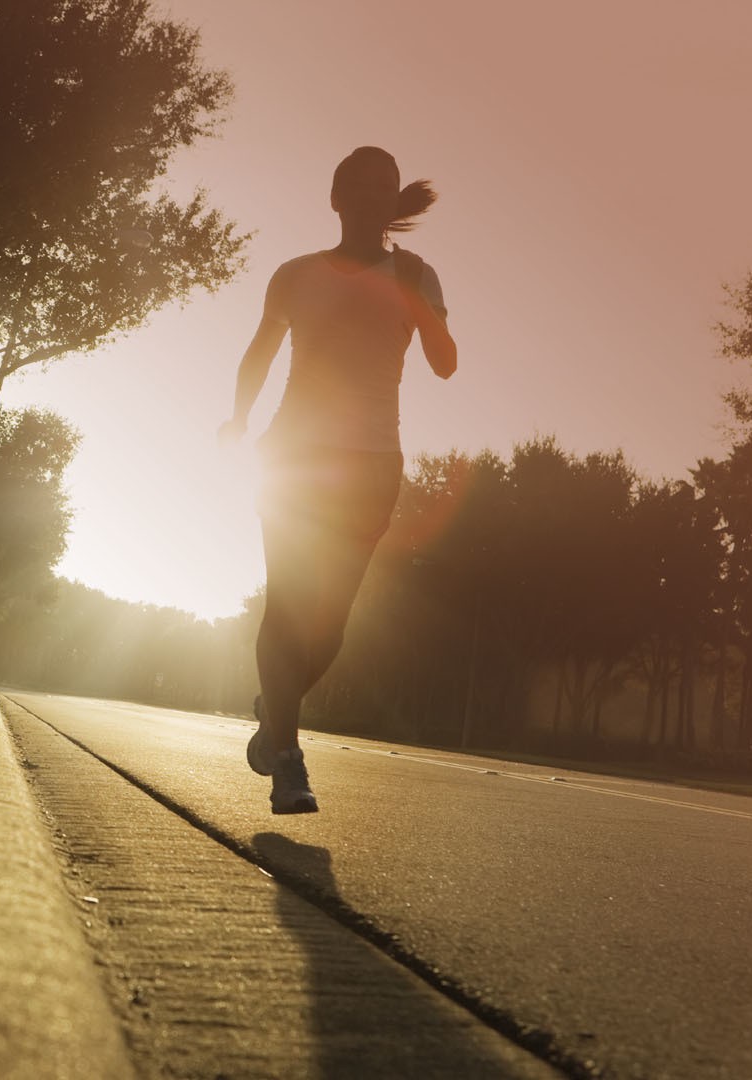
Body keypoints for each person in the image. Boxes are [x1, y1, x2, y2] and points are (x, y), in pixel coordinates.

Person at [218, 146, 458, 814]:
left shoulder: (417, 274)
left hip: (372, 465)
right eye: (360, 186)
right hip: (293, 458)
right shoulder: (295, 275)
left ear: (393, 203)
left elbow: (445, 363)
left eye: (386, 188)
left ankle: (276, 715)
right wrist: (238, 418)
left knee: (329, 630)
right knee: (289, 608)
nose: (372, 198)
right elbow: (260, 350)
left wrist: (415, 296)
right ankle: (288, 763)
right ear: (336, 197)